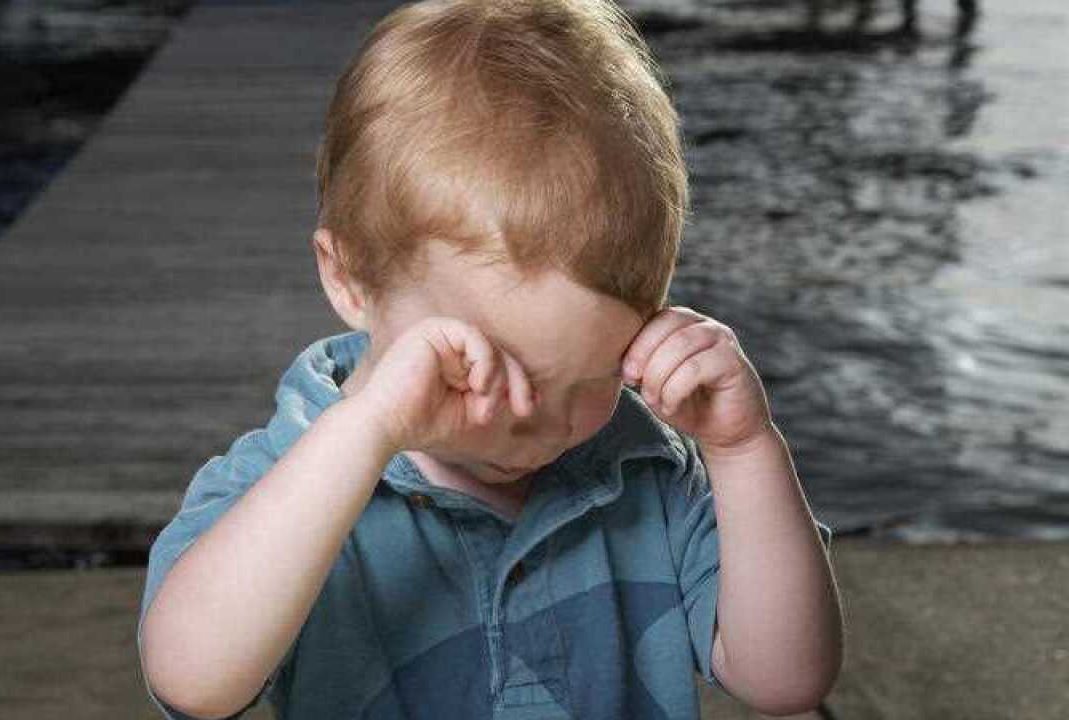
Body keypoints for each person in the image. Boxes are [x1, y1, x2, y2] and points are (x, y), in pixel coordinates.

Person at [137, 1, 844, 718]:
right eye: (487, 374)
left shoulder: (650, 471)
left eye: (591, 379)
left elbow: (785, 681)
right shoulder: (286, 481)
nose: (536, 426)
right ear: (349, 279)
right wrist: (367, 428)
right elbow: (192, 682)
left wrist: (743, 449)